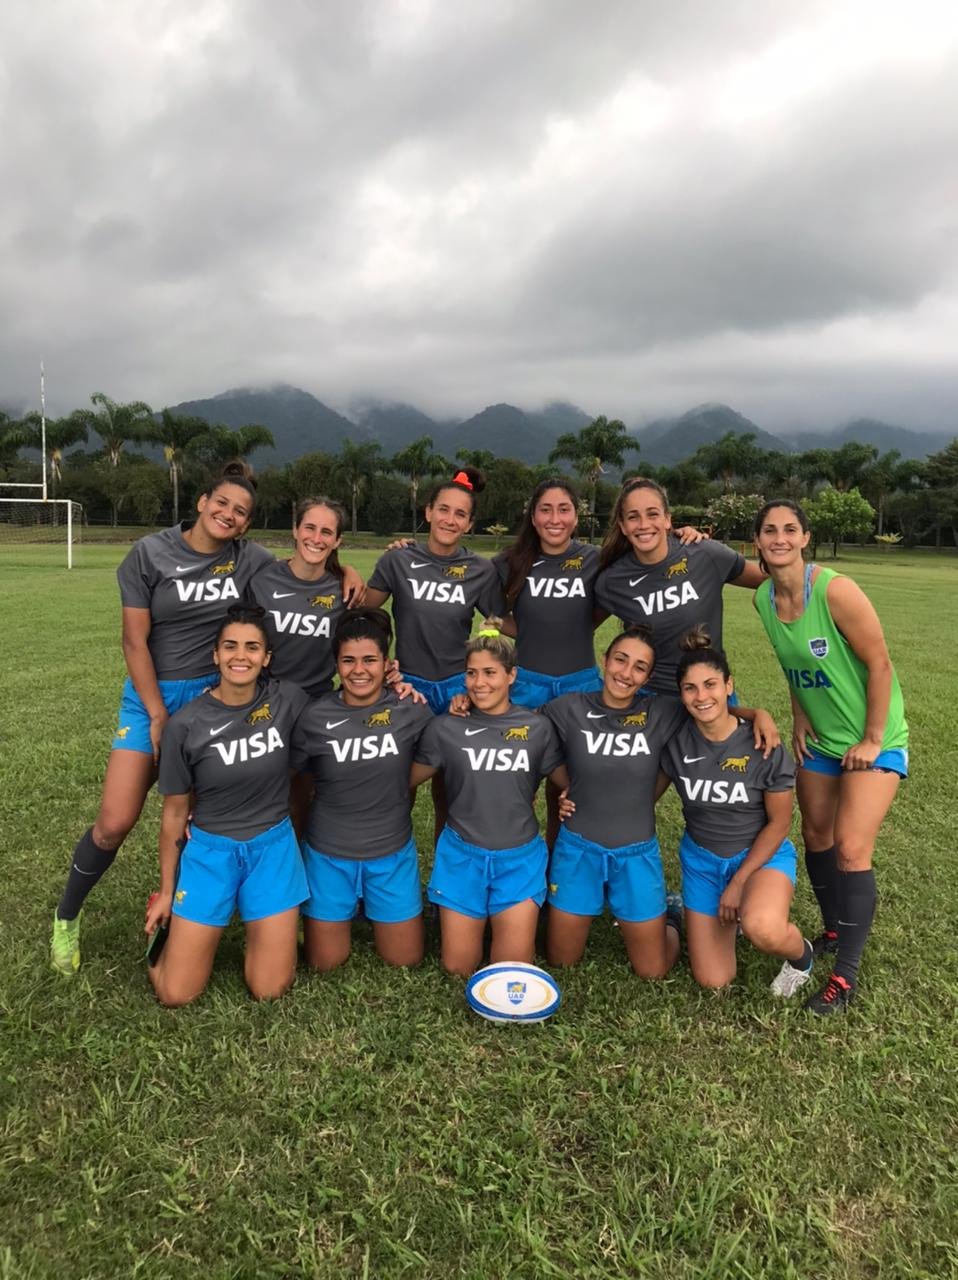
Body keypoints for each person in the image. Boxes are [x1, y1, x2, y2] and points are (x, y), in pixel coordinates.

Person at [50, 463, 274, 975]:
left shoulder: (248, 559)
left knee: (196, 822)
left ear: (246, 524)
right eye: (222, 503)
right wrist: (156, 714)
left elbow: (303, 569)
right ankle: (66, 916)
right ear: (202, 501)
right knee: (114, 822)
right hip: (151, 696)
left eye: (241, 512)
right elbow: (134, 641)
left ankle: (178, 907)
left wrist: (348, 573)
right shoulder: (150, 553)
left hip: (212, 704)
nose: (229, 515)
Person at [752, 500, 908, 1014]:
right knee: (816, 835)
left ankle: (845, 978)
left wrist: (872, 738)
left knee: (851, 849)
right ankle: (834, 929)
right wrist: (800, 716)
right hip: (821, 739)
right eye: (769, 530)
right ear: (757, 541)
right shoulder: (763, 599)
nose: (779, 538)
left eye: (789, 529)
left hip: (874, 738)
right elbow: (794, 665)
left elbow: (879, 663)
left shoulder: (834, 590)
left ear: (805, 537)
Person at [143, 606, 309, 1006]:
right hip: (210, 852)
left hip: (272, 848)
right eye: (230, 646)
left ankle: (260, 927)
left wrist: (395, 681)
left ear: (266, 658)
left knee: (269, 988)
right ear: (215, 654)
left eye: (252, 647)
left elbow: (348, 705)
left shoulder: (287, 699)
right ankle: (166, 939)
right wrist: (166, 890)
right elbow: (175, 813)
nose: (241, 656)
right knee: (176, 994)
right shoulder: (185, 726)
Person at [658, 627, 812, 992]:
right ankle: (677, 911)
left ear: (729, 685)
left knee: (763, 928)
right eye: (690, 688)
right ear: (681, 695)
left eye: (710, 685)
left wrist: (739, 882)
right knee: (714, 980)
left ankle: (801, 956)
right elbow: (640, 797)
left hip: (759, 858)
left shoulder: (762, 743)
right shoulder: (676, 742)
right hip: (702, 862)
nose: (701, 696)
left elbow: (779, 824)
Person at [410, 628, 569, 976]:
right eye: (471, 673)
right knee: (458, 966)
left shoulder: (537, 728)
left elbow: (569, 782)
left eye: (490, 672)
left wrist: (571, 796)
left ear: (511, 675)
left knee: (512, 968)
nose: (479, 683)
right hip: (462, 857)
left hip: (519, 860)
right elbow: (400, 780)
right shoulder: (446, 728)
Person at [364, 467, 504, 844]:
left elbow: (499, 623)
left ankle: (447, 867)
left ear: (470, 523)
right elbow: (361, 611)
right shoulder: (398, 560)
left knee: (451, 787)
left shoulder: (480, 569)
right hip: (408, 686)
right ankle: (392, 855)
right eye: (443, 509)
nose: (450, 519)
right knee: (400, 782)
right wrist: (344, 571)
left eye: (460, 514)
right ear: (428, 512)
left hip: (457, 689)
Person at [292, 609, 434, 971]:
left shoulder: (411, 708)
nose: (359, 670)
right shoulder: (313, 717)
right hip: (328, 854)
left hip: (390, 854)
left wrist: (393, 784)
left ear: (387, 664)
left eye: (370, 660)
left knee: (405, 960)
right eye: (348, 661)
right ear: (336, 665)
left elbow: (442, 750)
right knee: (326, 964)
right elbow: (291, 776)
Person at [543, 625, 685, 976]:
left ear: (648, 677)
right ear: (605, 660)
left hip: (636, 853)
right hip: (578, 850)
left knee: (653, 971)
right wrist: (566, 784)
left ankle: (673, 917)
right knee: (561, 962)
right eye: (620, 660)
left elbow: (713, 711)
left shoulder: (661, 712)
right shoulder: (570, 707)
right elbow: (517, 728)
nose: (626, 673)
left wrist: (756, 715)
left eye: (639, 667)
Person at [594, 478, 767, 697]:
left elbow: (770, 579)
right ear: (623, 526)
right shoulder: (612, 581)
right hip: (651, 699)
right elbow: (578, 629)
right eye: (633, 517)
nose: (644, 524)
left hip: (709, 694)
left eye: (653, 514)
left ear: (667, 519)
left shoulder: (705, 553)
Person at [248, 496, 357, 697]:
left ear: (337, 541)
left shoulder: (345, 591)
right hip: (265, 699)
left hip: (316, 702)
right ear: (295, 530)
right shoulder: (261, 581)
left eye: (326, 532)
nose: (316, 539)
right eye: (309, 528)